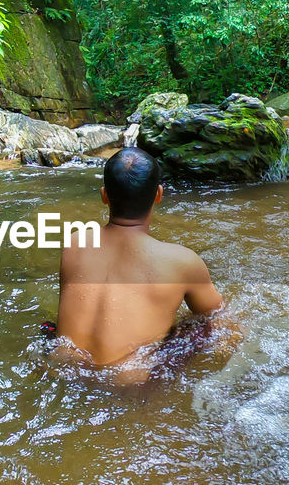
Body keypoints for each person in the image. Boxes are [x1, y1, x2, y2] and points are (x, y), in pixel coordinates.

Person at [54, 147, 225, 367]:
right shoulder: (182, 262)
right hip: (131, 385)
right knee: (203, 326)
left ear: (104, 195)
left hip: (65, 369)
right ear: (159, 195)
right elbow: (219, 317)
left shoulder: (75, 242)